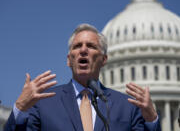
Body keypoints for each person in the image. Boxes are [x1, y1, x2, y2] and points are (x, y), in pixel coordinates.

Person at [4, 24, 161, 131]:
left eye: (91, 46)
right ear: (68, 60)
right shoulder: (43, 103)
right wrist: (20, 108)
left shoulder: (127, 107)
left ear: (104, 60)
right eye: (77, 46)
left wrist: (152, 119)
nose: (83, 50)